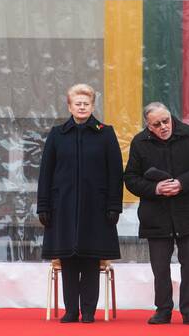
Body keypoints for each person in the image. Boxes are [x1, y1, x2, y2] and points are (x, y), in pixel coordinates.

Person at [37, 83, 123, 323]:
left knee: (90, 258)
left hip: (96, 208)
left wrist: (114, 205)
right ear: (70, 106)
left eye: (86, 103)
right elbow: (46, 172)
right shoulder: (57, 134)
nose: (82, 107)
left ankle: (87, 311)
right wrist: (43, 205)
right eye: (78, 103)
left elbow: (115, 172)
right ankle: (71, 310)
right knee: (68, 259)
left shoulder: (105, 133)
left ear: (93, 105)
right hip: (62, 207)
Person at [124, 102, 189, 326]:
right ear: (148, 125)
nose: (164, 126)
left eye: (167, 120)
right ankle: (163, 310)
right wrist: (155, 189)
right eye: (157, 124)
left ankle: (188, 310)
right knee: (160, 266)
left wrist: (182, 183)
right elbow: (131, 179)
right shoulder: (139, 142)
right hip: (156, 214)